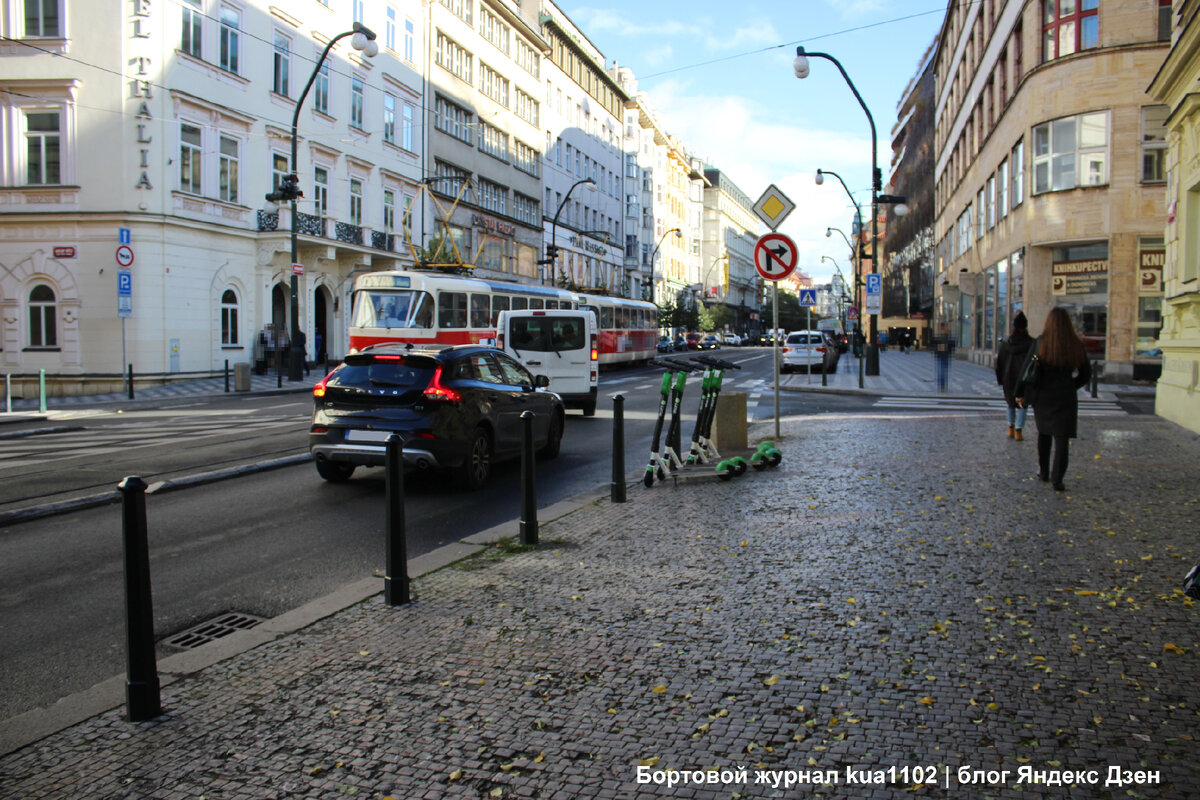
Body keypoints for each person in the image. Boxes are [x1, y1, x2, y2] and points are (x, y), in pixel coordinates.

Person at [1015, 307, 1092, 492]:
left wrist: (1019, 392)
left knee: (1044, 434)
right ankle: (1058, 479)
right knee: (1062, 438)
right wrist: (1072, 385)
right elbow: (1086, 373)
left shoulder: (1041, 342)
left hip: (1043, 395)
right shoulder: (1075, 344)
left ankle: (1044, 471)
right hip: (1065, 396)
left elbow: (1026, 369)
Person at [994, 311, 1035, 441]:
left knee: (1010, 402)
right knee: (1023, 403)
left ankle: (1010, 427)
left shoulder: (1006, 343)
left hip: (1008, 376)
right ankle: (1019, 429)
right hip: (1024, 378)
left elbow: (1000, 362)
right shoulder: (1031, 343)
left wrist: (1000, 378)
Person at [933, 323, 955, 393]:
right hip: (940, 356)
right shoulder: (938, 337)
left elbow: (952, 345)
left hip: (946, 355)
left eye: (946, 328)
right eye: (944, 328)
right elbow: (934, 345)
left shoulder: (949, 337)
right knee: (940, 371)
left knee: (944, 371)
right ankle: (941, 386)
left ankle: (943, 385)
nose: (946, 329)